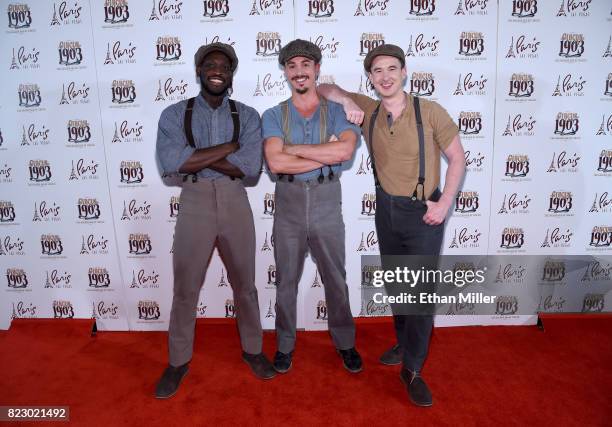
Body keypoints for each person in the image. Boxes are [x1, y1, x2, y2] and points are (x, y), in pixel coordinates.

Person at [319, 44, 465, 407]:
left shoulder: (429, 111)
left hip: (423, 212)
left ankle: (413, 369)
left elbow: (458, 158)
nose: (385, 77)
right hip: (385, 209)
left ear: (404, 72)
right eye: (377, 71)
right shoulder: (367, 110)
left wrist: (445, 202)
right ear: (370, 78)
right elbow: (323, 88)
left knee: (419, 295)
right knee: (398, 282)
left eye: (391, 69)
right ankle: (403, 342)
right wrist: (345, 101)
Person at [154, 42, 275, 399]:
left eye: (224, 65)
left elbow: (250, 168)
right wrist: (229, 148)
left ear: (232, 72)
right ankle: (178, 361)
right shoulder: (175, 114)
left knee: (246, 285)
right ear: (199, 71)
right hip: (194, 201)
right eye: (210, 64)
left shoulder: (248, 115)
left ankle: (253, 350)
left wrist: (197, 157)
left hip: (235, 201)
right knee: (185, 287)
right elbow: (172, 162)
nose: (217, 69)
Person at [262, 39, 363, 374]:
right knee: (286, 280)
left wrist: (294, 149)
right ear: (285, 72)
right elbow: (276, 163)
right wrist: (321, 150)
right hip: (288, 205)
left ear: (317, 69)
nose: (299, 71)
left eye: (305, 64)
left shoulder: (337, 111)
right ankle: (285, 345)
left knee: (335, 277)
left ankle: (346, 343)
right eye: (292, 66)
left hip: (326, 201)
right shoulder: (273, 114)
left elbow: (343, 153)